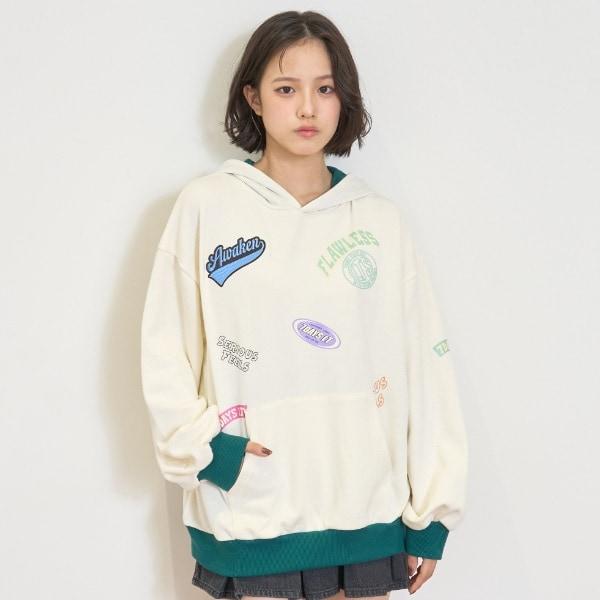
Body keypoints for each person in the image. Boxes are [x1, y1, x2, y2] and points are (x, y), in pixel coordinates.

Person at [140, 9, 468, 600]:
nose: (308, 109)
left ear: (345, 98)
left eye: (325, 89)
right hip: (252, 514)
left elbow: (426, 367)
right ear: (254, 98)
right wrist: (209, 452)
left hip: (366, 513)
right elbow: (164, 349)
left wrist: (433, 511)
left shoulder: (379, 221)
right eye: (287, 89)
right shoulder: (207, 209)